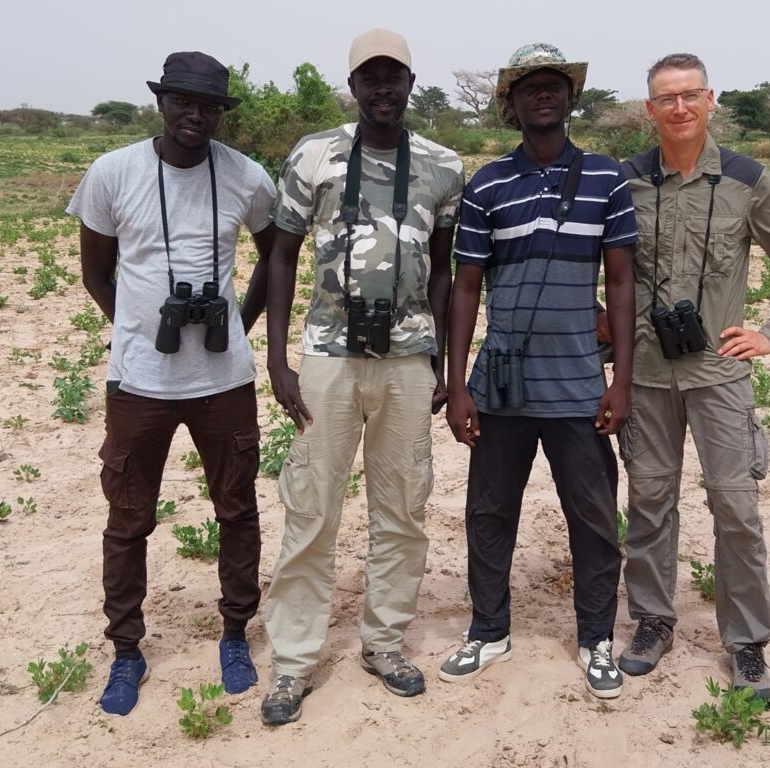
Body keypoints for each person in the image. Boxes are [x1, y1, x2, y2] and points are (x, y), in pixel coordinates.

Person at [260, 28, 464, 725]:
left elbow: (446, 269)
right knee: (312, 506)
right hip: (328, 356)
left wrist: (435, 353)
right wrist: (277, 357)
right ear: (353, 87)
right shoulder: (314, 154)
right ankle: (292, 661)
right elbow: (281, 257)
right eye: (369, 79)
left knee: (403, 505)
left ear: (411, 84)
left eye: (395, 78)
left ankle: (384, 642)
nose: (383, 89)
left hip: (407, 361)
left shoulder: (441, 164)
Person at [67, 51, 277, 716]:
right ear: (161, 101)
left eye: (209, 105)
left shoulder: (245, 176)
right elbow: (95, 272)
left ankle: (236, 632)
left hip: (223, 378)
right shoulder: (113, 172)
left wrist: (237, 324)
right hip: (140, 381)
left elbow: (276, 257)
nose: (196, 114)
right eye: (183, 100)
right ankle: (126, 648)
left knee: (237, 508)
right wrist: (133, 328)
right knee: (128, 518)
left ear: (222, 112)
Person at [616, 53, 770, 698]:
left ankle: (747, 644)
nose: (679, 108)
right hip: (647, 375)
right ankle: (653, 620)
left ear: (711, 100)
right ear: (649, 110)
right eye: (665, 98)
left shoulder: (747, 180)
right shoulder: (622, 181)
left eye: (690, 96)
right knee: (649, 501)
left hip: (720, 373)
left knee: (735, 507)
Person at [438, 43, 637, 700]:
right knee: (489, 513)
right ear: (512, 104)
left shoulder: (608, 179)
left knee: (593, 516)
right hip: (501, 385)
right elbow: (466, 287)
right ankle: (489, 630)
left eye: (554, 86)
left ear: (570, 97)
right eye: (529, 88)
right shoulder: (488, 183)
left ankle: (597, 639)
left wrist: (623, 379)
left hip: (581, 383)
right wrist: (459, 382)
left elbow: (621, 277)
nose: (543, 96)